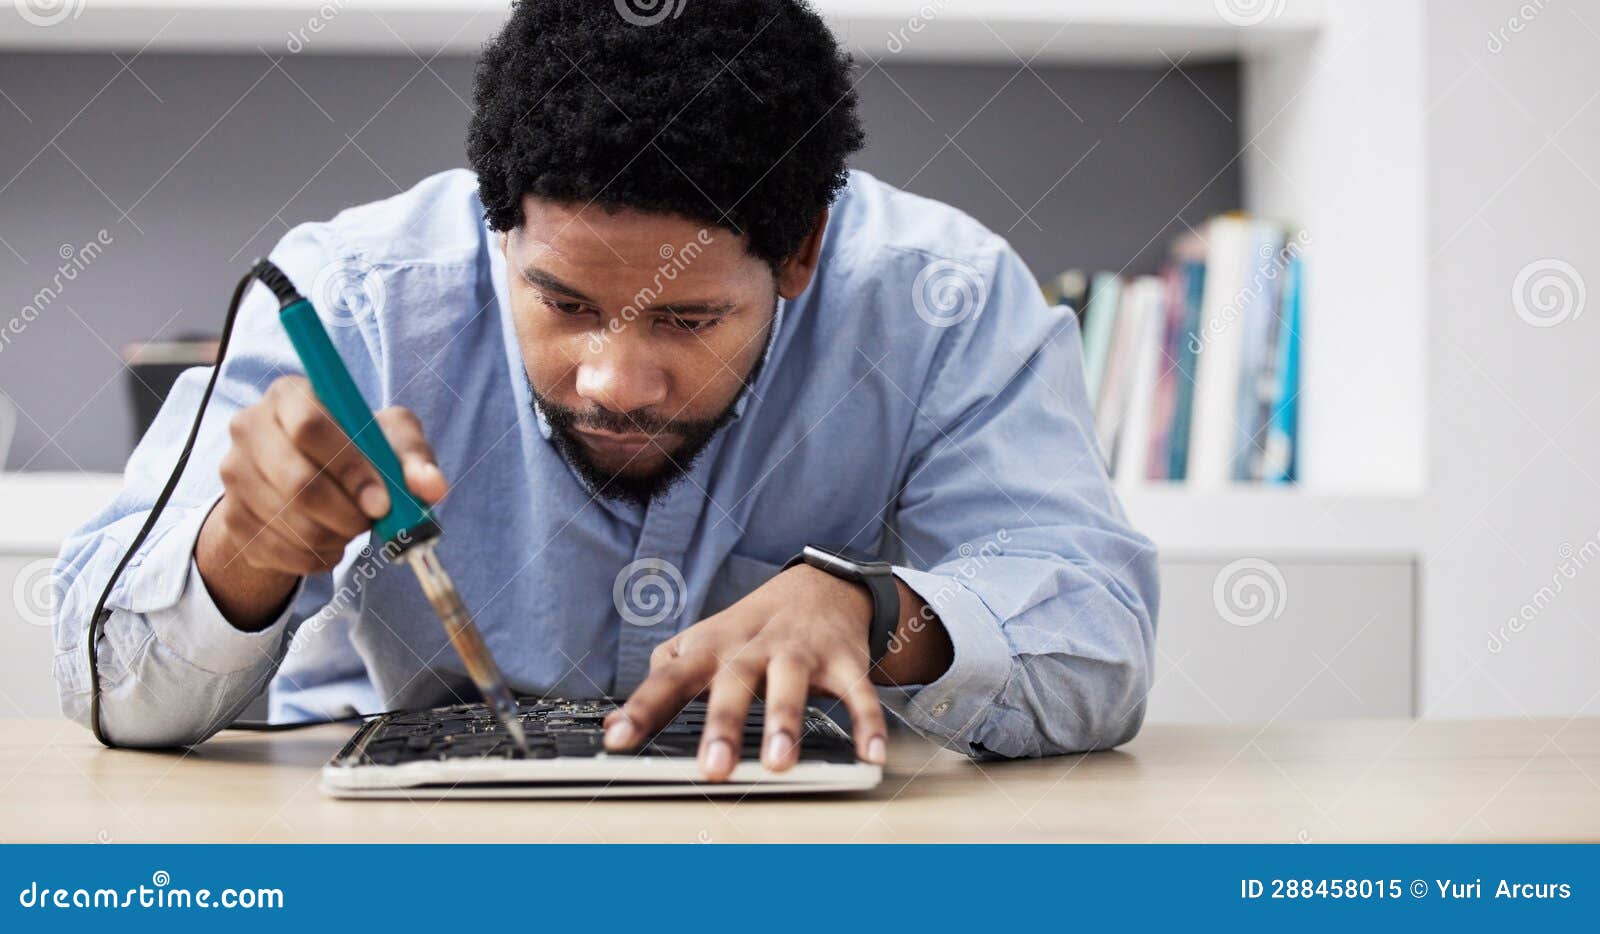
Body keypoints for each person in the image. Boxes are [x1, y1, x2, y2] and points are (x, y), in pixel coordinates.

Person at [52, 0, 1158, 780]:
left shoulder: (943, 301)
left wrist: (879, 614)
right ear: (498, 226)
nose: (614, 381)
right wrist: (245, 546)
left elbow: (1099, 642)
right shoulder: (353, 297)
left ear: (802, 252)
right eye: (565, 303)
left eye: (687, 319)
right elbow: (109, 692)